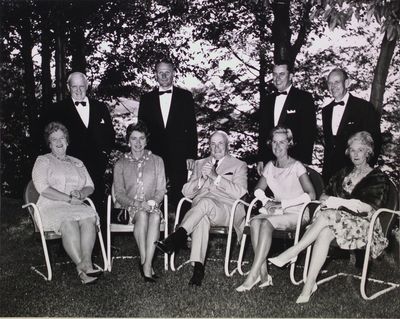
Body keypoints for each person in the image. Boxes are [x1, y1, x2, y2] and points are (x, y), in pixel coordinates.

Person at [269, 131, 390, 303]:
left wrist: (338, 202)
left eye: (360, 150)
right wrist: (337, 202)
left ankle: (293, 252)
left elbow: (367, 207)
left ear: (368, 152)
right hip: (338, 221)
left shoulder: (377, 177)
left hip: (365, 225)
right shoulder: (343, 173)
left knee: (327, 216)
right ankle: (308, 286)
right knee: (325, 232)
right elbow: (324, 197)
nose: (356, 154)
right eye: (352, 150)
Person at [155, 131, 248, 286]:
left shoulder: (239, 165)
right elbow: (185, 192)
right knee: (202, 215)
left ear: (227, 145)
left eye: (220, 143)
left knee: (204, 203)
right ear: (209, 146)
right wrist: (201, 180)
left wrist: (215, 177)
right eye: (213, 143)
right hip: (202, 210)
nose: (216, 147)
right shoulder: (199, 164)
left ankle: (177, 237)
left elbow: (240, 193)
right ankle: (198, 269)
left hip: (227, 210)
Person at [236, 126, 316, 292]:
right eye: (274, 142)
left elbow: (311, 195)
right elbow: (257, 190)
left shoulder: (297, 166)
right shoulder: (270, 166)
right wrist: (267, 201)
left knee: (265, 223)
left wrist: (282, 204)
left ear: (289, 144)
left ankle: (253, 275)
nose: (278, 146)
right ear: (270, 144)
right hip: (278, 213)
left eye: (282, 142)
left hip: (298, 212)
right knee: (255, 222)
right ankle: (263, 275)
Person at [40, 72, 115, 226]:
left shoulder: (100, 107)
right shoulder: (57, 109)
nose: (79, 90)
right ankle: (68, 246)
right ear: (68, 87)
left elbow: (110, 135)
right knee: (70, 206)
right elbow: (49, 137)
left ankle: (100, 244)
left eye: (82, 86)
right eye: (74, 86)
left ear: (87, 86)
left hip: (96, 166)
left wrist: (104, 155)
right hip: (69, 167)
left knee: (97, 203)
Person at [32, 122, 103, 285]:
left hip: (75, 205)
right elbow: (43, 188)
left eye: (62, 138)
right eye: (54, 139)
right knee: (69, 222)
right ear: (49, 143)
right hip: (51, 205)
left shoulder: (77, 162)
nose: (58, 142)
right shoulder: (43, 161)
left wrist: (81, 193)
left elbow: (90, 185)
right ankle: (84, 268)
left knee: (89, 218)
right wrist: (69, 199)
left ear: (67, 141)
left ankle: (85, 263)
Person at [138, 59, 198, 212]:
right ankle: (156, 230)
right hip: (154, 155)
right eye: (160, 72)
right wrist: (142, 154)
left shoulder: (185, 97)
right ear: (156, 75)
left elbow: (191, 127)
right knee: (155, 191)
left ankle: (181, 230)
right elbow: (141, 130)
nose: (164, 76)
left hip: (179, 154)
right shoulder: (146, 99)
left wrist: (191, 154)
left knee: (180, 193)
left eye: (167, 72)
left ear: (173, 74)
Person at [113, 121, 167, 283]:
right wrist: (137, 204)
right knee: (142, 215)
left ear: (146, 140)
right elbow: (119, 194)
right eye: (134, 139)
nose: (138, 143)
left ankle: (146, 263)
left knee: (155, 217)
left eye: (141, 138)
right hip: (129, 207)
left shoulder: (157, 160)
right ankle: (146, 262)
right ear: (128, 140)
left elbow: (161, 189)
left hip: (152, 205)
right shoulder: (120, 163)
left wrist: (152, 203)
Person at [322, 68, 381, 184]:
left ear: (347, 83)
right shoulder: (326, 111)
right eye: (330, 83)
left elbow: (375, 142)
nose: (333, 86)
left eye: (337, 82)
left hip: (355, 172)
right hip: (330, 174)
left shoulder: (364, 108)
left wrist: (364, 171)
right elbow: (329, 145)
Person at [257, 60, 316, 176]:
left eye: (282, 74)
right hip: (270, 161)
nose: (277, 78)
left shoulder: (304, 98)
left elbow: (309, 132)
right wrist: (261, 158)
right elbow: (262, 131)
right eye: (275, 74)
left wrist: (304, 161)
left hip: (295, 160)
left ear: (290, 76)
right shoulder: (267, 101)